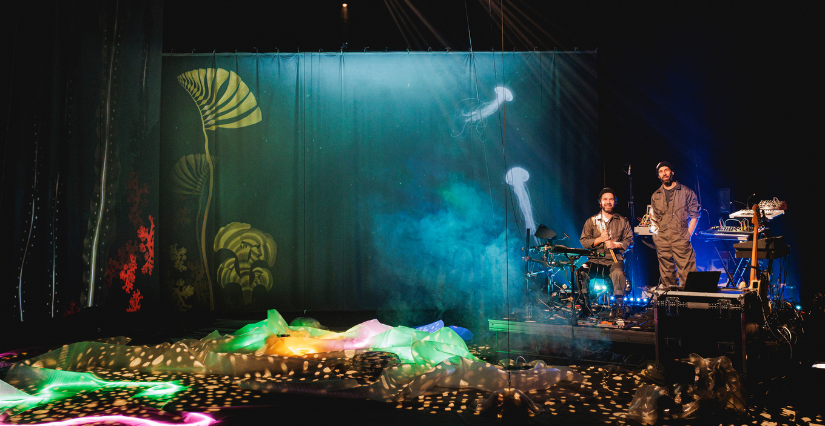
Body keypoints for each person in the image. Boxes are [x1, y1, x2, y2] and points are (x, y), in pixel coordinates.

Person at [578, 188, 634, 319]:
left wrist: (615, 245)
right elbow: (584, 241)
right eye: (605, 199)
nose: (608, 202)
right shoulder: (591, 221)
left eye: (611, 199)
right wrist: (599, 240)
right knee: (581, 272)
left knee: (618, 273)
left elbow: (630, 241)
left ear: (615, 202)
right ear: (600, 202)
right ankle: (586, 307)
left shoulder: (622, 221)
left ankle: (619, 307)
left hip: (614, 260)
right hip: (595, 260)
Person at [649, 161, 700, 288]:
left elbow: (695, 215)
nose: (664, 173)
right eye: (661, 171)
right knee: (666, 276)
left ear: (672, 172)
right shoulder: (655, 195)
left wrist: (688, 235)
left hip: (681, 236)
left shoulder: (686, 192)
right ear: (658, 176)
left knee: (688, 274)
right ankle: (670, 305)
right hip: (662, 239)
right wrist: (657, 236)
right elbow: (654, 218)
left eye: (666, 170)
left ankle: (690, 304)